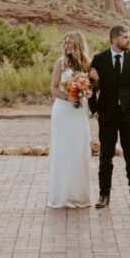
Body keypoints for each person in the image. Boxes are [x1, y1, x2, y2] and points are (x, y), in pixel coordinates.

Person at [88, 24, 130, 210]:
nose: (128, 40)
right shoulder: (99, 59)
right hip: (106, 116)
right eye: (125, 37)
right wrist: (95, 111)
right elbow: (90, 86)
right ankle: (104, 195)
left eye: (128, 37)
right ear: (114, 39)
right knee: (105, 157)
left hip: (129, 116)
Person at [46, 31, 93, 208]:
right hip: (63, 112)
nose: (66, 46)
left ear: (77, 44)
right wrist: (68, 98)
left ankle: (79, 196)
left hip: (79, 112)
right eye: (65, 43)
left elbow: (93, 89)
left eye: (69, 43)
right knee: (62, 150)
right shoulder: (60, 63)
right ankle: (61, 195)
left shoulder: (87, 64)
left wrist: (86, 91)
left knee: (78, 150)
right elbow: (53, 88)